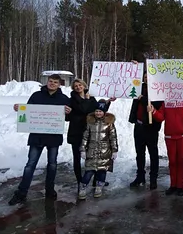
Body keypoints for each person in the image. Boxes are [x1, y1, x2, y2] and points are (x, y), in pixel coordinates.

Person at [8, 74, 72, 205]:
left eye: (55, 82)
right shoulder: (36, 95)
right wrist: (19, 109)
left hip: (53, 137)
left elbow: (67, 118)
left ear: (59, 84)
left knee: (52, 165)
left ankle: (50, 190)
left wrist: (69, 112)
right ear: (47, 82)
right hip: (37, 137)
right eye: (50, 81)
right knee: (30, 165)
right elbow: (28, 112)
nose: (52, 84)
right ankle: (21, 193)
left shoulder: (64, 99)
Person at [148, 101, 183, 196]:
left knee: (182, 161)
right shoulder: (166, 102)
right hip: (170, 136)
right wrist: (153, 111)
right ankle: (173, 185)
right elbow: (161, 117)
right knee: (172, 161)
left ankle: (180, 186)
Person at [67, 79, 116, 189]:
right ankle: (80, 181)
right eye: (75, 86)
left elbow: (98, 111)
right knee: (77, 158)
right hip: (77, 132)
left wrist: (108, 102)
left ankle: (96, 180)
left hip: (91, 133)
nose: (78, 87)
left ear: (84, 86)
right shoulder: (73, 99)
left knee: (94, 157)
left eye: (80, 85)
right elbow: (83, 109)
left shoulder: (91, 98)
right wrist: (87, 100)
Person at [128, 71, 163, 189]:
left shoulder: (158, 89)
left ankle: (153, 179)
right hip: (139, 126)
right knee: (140, 154)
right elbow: (130, 78)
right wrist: (134, 67)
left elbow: (156, 104)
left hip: (151, 127)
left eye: (149, 77)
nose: (147, 78)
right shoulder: (139, 87)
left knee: (153, 154)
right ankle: (140, 177)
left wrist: (143, 99)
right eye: (145, 77)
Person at [78, 100, 118, 199]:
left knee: (102, 171)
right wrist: (83, 149)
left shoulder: (109, 124)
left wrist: (114, 150)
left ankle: (99, 187)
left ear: (104, 112)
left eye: (100, 111)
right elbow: (85, 137)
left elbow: (113, 138)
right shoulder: (90, 123)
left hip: (104, 152)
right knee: (89, 171)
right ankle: (83, 187)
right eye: (96, 111)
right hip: (91, 151)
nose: (98, 113)